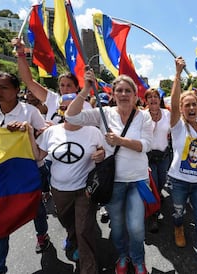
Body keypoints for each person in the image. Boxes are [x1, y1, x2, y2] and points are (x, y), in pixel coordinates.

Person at [66, 70, 152, 274]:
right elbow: (71, 116)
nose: (123, 94)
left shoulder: (145, 117)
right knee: (118, 228)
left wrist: (120, 141)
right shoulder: (103, 113)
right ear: (113, 94)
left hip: (138, 180)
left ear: (135, 94)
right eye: (119, 90)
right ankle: (122, 256)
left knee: (137, 228)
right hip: (113, 182)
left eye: (128, 90)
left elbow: (146, 145)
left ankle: (138, 260)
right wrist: (86, 88)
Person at [29, 93, 105, 274]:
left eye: (74, 108)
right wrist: (29, 134)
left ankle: (88, 269)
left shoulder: (93, 132)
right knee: (67, 221)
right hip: (59, 190)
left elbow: (103, 154)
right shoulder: (51, 132)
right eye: (64, 108)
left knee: (84, 229)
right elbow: (38, 155)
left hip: (85, 190)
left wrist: (101, 155)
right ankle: (73, 238)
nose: (68, 112)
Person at [0, 72, 47, 274]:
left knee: (34, 207)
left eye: (4, 88)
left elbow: (46, 133)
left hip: (26, 171)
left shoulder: (30, 112)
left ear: (17, 90)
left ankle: (42, 233)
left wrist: (27, 130)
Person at [167, 57, 197, 274]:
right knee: (178, 213)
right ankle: (178, 226)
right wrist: (177, 74)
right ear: (182, 109)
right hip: (178, 182)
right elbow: (175, 102)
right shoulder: (177, 126)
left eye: (194, 104)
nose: (191, 107)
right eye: (187, 105)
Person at [12, 38, 92, 125]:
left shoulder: (86, 106)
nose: (65, 89)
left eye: (69, 85)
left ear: (77, 87)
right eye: (62, 85)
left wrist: (55, 128)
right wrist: (20, 54)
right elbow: (29, 82)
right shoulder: (53, 99)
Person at [144, 87, 171, 233]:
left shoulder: (167, 114)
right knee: (152, 183)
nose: (153, 99)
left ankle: (158, 196)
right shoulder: (141, 115)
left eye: (156, 96)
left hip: (164, 156)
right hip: (148, 158)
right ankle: (153, 215)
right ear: (146, 100)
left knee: (161, 181)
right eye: (150, 97)